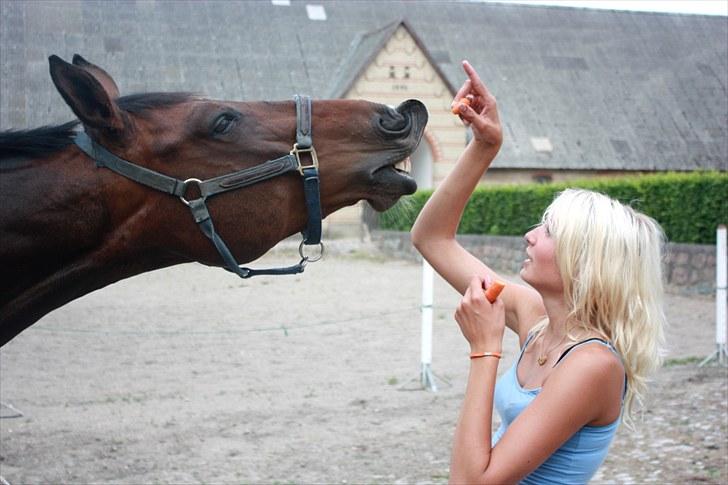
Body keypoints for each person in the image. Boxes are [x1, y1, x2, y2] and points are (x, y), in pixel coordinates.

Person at [411, 60, 666, 484]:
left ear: (584, 262)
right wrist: (485, 147)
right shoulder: (536, 319)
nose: (529, 235)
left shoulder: (593, 366)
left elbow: (471, 482)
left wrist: (485, 348)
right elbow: (432, 238)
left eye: (548, 230)